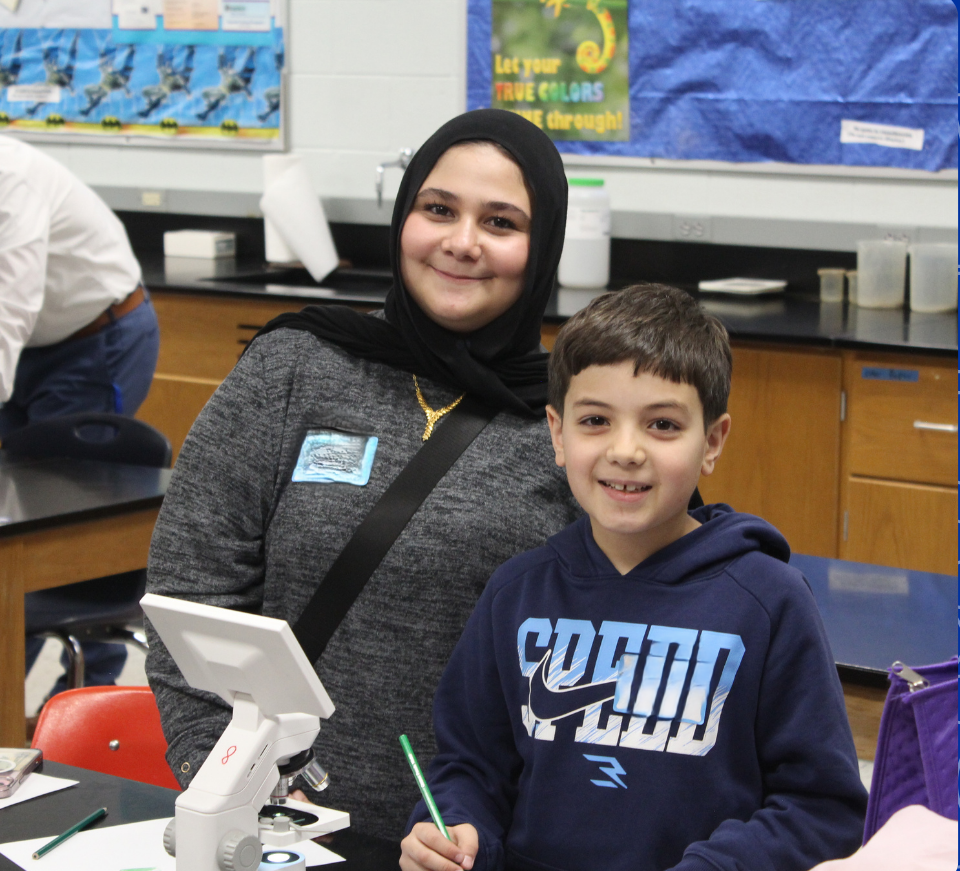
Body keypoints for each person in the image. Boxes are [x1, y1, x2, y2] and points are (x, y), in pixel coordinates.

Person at [144, 108, 584, 838]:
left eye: (500, 222)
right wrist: (224, 777)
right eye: (437, 209)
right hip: (280, 831)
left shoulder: (576, 418)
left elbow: (638, 630)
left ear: (542, 251)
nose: (462, 242)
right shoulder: (296, 364)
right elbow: (191, 591)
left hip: (477, 842)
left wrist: (502, 828)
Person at [401, 285, 868, 871]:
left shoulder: (769, 602)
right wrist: (454, 829)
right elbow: (469, 767)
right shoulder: (516, 592)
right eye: (595, 420)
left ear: (713, 442)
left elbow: (823, 808)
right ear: (557, 434)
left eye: (663, 426)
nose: (626, 451)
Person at [0, 133, 161, 694]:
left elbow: (8, 312)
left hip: (95, 340)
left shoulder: (10, 182)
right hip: (30, 347)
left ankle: (84, 709)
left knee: (69, 510)